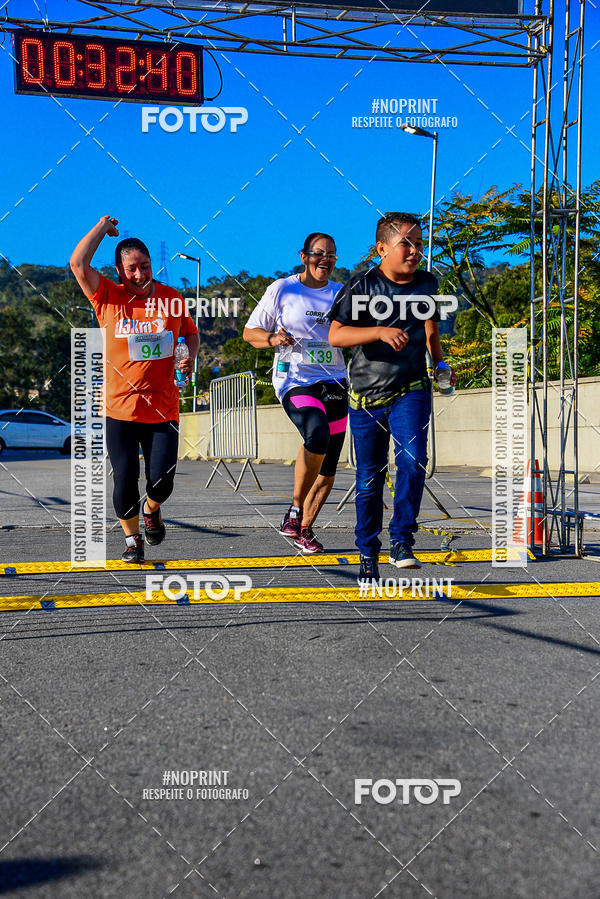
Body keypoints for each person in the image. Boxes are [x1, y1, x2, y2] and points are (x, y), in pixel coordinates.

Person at [328, 212, 455, 581]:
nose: (415, 251)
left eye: (419, 243)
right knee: (369, 476)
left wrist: (440, 362)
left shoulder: (428, 282)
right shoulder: (362, 285)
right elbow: (336, 335)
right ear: (382, 248)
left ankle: (402, 540)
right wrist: (379, 331)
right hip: (366, 394)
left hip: (411, 387)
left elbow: (430, 329)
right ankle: (367, 550)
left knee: (413, 461)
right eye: (406, 244)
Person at [70, 215, 199, 563]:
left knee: (162, 481)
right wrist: (102, 227)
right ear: (118, 271)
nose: (139, 275)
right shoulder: (107, 297)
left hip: (163, 408)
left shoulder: (172, 299)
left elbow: (190, 334)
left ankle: (151, 510)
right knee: (125, 479)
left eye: (145, 266)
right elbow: (78, 263)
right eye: (131, 269)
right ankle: (132, 540)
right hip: (120, 409)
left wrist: (189, 357)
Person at [243, 233, 348, 553]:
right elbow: (249, 333)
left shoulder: (342, 293)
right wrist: (273, 339)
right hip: (296, 379)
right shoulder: (283, 289)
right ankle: (294, 509)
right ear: (304, 256)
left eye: (331, 255)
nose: (325, 260)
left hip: (335, 380)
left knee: (329, 464)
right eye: (319, 253)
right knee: (316, 432)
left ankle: (305, 528)